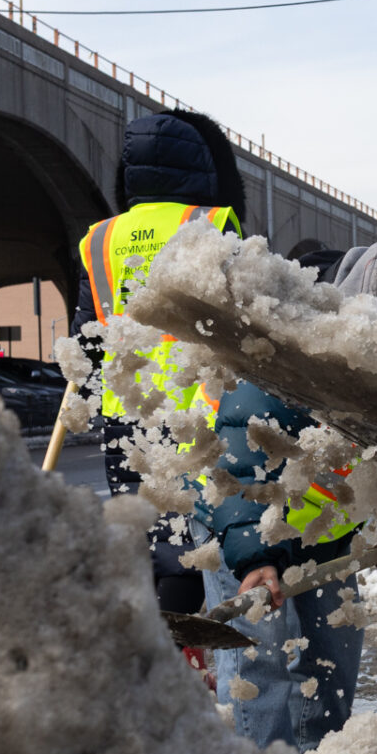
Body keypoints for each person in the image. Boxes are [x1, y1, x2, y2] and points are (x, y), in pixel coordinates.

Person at [202, 204, 377, 750]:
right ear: (372, 304)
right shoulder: (304, 341)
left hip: (324, 532)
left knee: (333, 667)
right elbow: (243, 444)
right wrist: (254, 556)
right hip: (247, 528)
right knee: (263, 675)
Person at [71, 110, 245, 653]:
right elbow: (244, 321)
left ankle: (143, 644)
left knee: (142, 528)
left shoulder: (98, 240)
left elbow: (86, 336)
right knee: (189, 537)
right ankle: (180, 643)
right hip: (196, 407)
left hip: (128, 413)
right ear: (199, 169)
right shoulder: (212, 224)